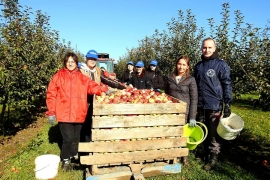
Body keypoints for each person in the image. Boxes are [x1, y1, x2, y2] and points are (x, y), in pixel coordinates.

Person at [46, 52, 105, 171]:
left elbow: (92, 86)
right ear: (65, 63)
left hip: (79, 113)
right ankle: (66, 160)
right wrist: (51, 112)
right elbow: (51, 94)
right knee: (67, 138)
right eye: (68, 61)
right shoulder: (58, 76)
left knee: (76, 138)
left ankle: (73, 155)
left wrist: (103, 90)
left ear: (76, 63)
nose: (70, 64)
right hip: (64, 113)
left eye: (72, 61)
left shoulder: (81, 77)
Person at [194, 37, 232, 171]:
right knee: (203, 129)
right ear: (201, 48)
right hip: (200, 104)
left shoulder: (221, 65)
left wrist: (227, 103)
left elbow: (226, 83)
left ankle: (213, 157)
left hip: (214, 103)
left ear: (214, 48)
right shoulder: (198, 66)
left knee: (214, 132)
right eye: (204, 47)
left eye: (209, 47)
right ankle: (205, 154)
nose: (207, 50)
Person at [79, 49, 125, 142]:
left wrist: (122, 87)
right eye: (90, 58)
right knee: (83, 124)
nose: (92, 60)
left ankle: (92, 142)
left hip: (95, 100)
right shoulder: (80, 71)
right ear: (86, 59)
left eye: (94, 59)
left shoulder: (98, 71)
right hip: (83, 101)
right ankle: (83, 149)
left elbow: (108, 80)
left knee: (93, 122)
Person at [165, 55, 198, 166]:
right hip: (172, 111)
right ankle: (173, 156)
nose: (181, 66)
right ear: (176, 64)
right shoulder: (170, 77)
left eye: (184, 64)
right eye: (179, 64)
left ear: (188, 66)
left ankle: (183, 156)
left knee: (183, 134)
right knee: (172, 134)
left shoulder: (191, 80)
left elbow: (194, 98)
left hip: (184, 111)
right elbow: (166, 94)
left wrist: (192, 116)